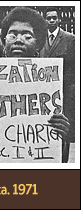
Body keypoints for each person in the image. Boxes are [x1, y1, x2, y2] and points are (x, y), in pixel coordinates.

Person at [0, 7, 71, 162]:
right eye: (12, 34)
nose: (18, 40)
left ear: (38, 46)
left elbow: (58, 156)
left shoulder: (53, 84)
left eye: (27, 36)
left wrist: (64, 131)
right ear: (3, 41)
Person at [39, 7, 75, 162]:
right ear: (45, 20)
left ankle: (62, 161)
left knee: (61, 128)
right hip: (43, 91)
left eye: (54, 18)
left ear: (59, 19)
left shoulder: (69, 38)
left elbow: (73, 68)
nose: (51, 21)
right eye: (49, 18)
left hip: (63, 90)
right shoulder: (39, 39)